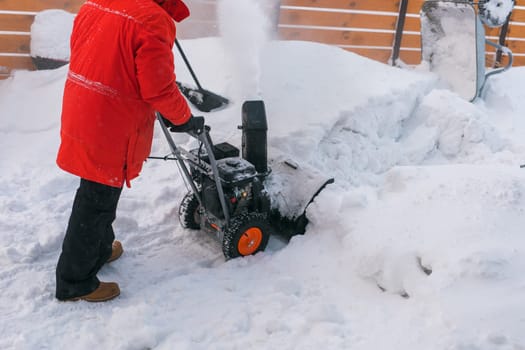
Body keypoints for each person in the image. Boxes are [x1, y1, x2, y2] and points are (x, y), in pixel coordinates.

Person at [55, 0, 200, 302]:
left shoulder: (97, 2)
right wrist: (184, 118)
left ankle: (100, 248)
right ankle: (75, 280)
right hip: (111, 119)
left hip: (84, 105)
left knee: (100, 189)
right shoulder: (153, 21)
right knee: (97, 199)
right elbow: (158, 88)